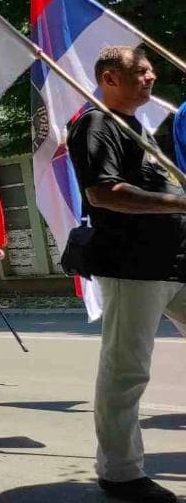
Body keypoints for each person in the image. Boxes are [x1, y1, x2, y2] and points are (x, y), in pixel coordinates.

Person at [66, 45, 186, 503]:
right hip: (134, 267)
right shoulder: (96, 124)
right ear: (110, 78)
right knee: (126, 372)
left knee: (126, 369)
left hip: (175, 263)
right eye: (141, 70)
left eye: (152, 68)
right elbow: (104, 193)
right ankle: (119, 474)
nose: (152, 75)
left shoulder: (138, 128)